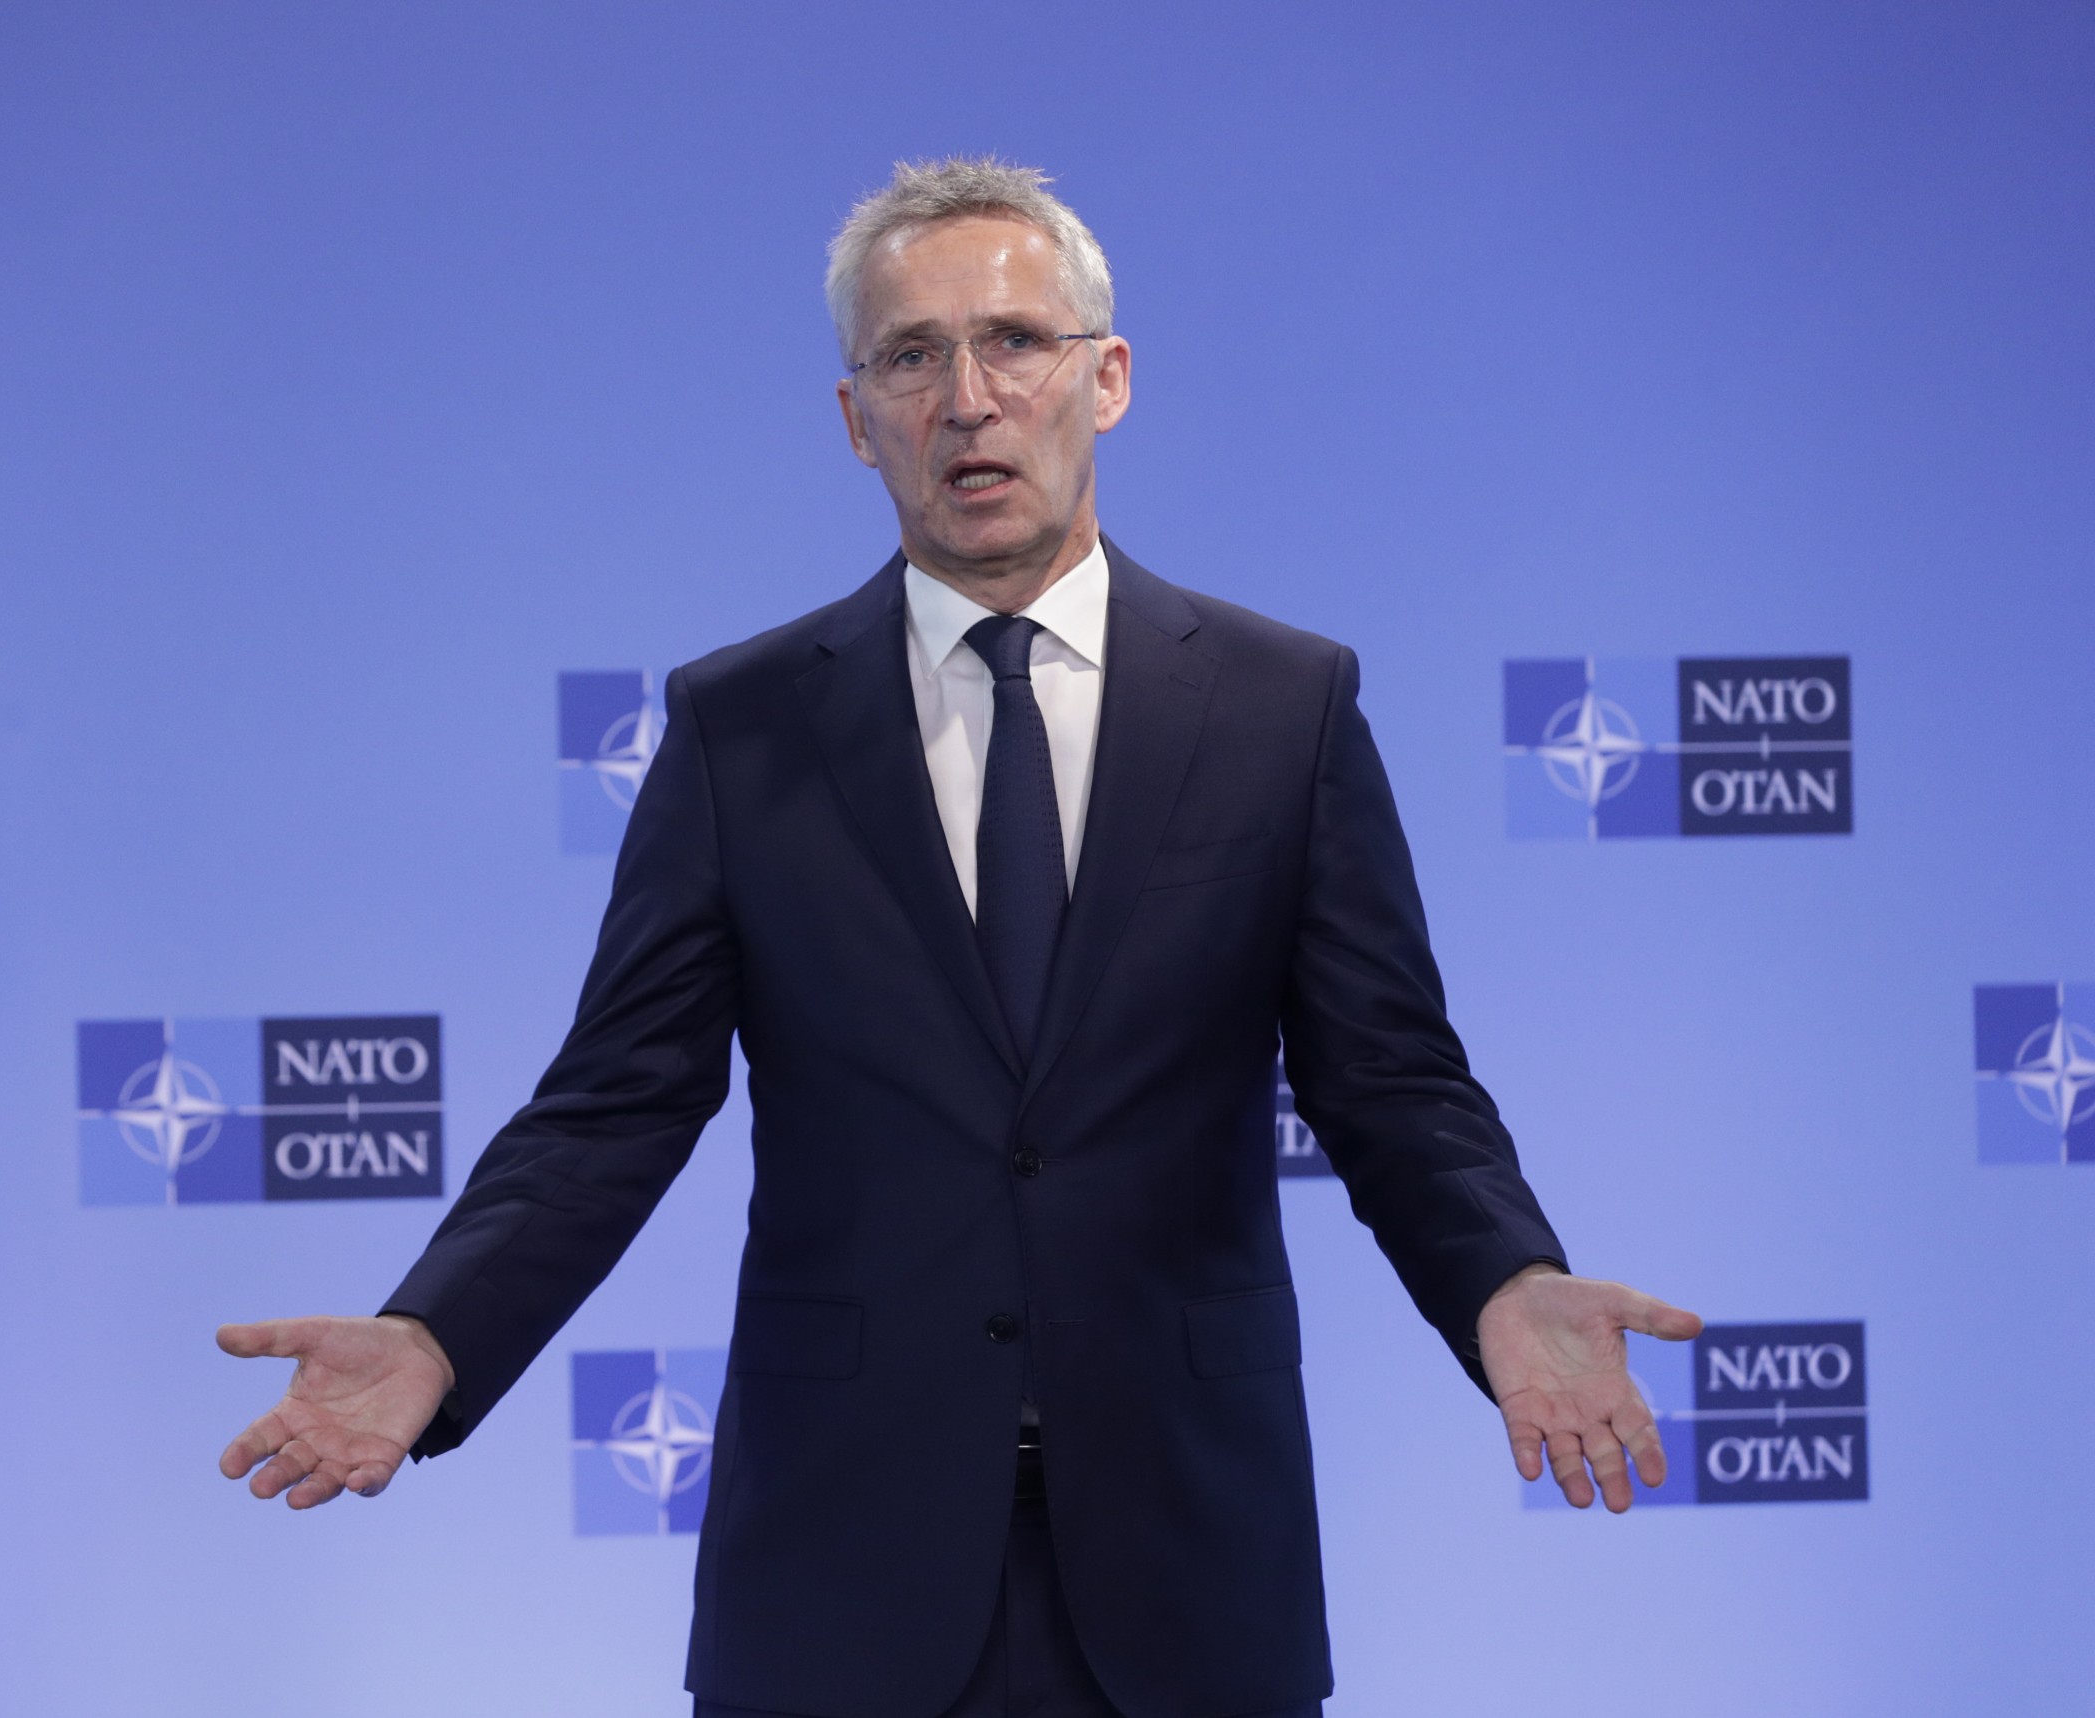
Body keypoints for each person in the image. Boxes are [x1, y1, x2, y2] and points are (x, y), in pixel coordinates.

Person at [216, 157, 1701, 1718]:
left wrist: (1506, 1274)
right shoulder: (742, 725)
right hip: (841, 1569)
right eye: (911, 356)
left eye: (1016, 343)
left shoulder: (1283, 705)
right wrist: (438, 1330)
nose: (969, 398)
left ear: (1106, 379)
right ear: (856, 420)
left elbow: (1390, 1080)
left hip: (1191, 1560)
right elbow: (617, 1100)